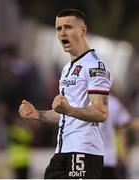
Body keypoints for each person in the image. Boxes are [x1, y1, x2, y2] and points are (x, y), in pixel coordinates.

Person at [19, 8, 113, 179]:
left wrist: (69, 110)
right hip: (62, 151)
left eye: (68, 27)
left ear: (83, 30)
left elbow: (100, 112)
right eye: (59, 28)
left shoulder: (95, 66)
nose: (63, 32)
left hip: (84, 150)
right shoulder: (66, 69)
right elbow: (66, 113)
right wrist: (37, 114)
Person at [101, 94, 131, 179]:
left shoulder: (83, 99)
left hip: (91, 155)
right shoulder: (113, 102)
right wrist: (123, 154)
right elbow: (122, 129)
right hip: (109, 155)